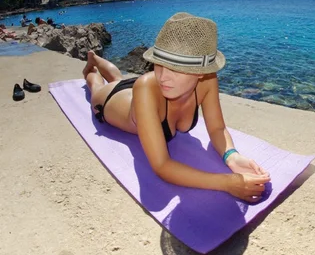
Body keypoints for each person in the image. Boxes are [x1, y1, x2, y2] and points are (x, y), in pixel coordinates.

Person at [82, 12, 270, 202]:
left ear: (200, 73)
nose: (163, 76)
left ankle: (97, 59)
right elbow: (162, 166)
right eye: (159, 64)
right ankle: (93, 63)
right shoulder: (152, 84)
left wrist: (232, 157)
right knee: (98, 86)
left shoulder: (208, 80)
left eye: (176, 68)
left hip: (143, 93)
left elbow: (217, 128)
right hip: (113, 100)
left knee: (118, 78)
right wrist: (227, 183)